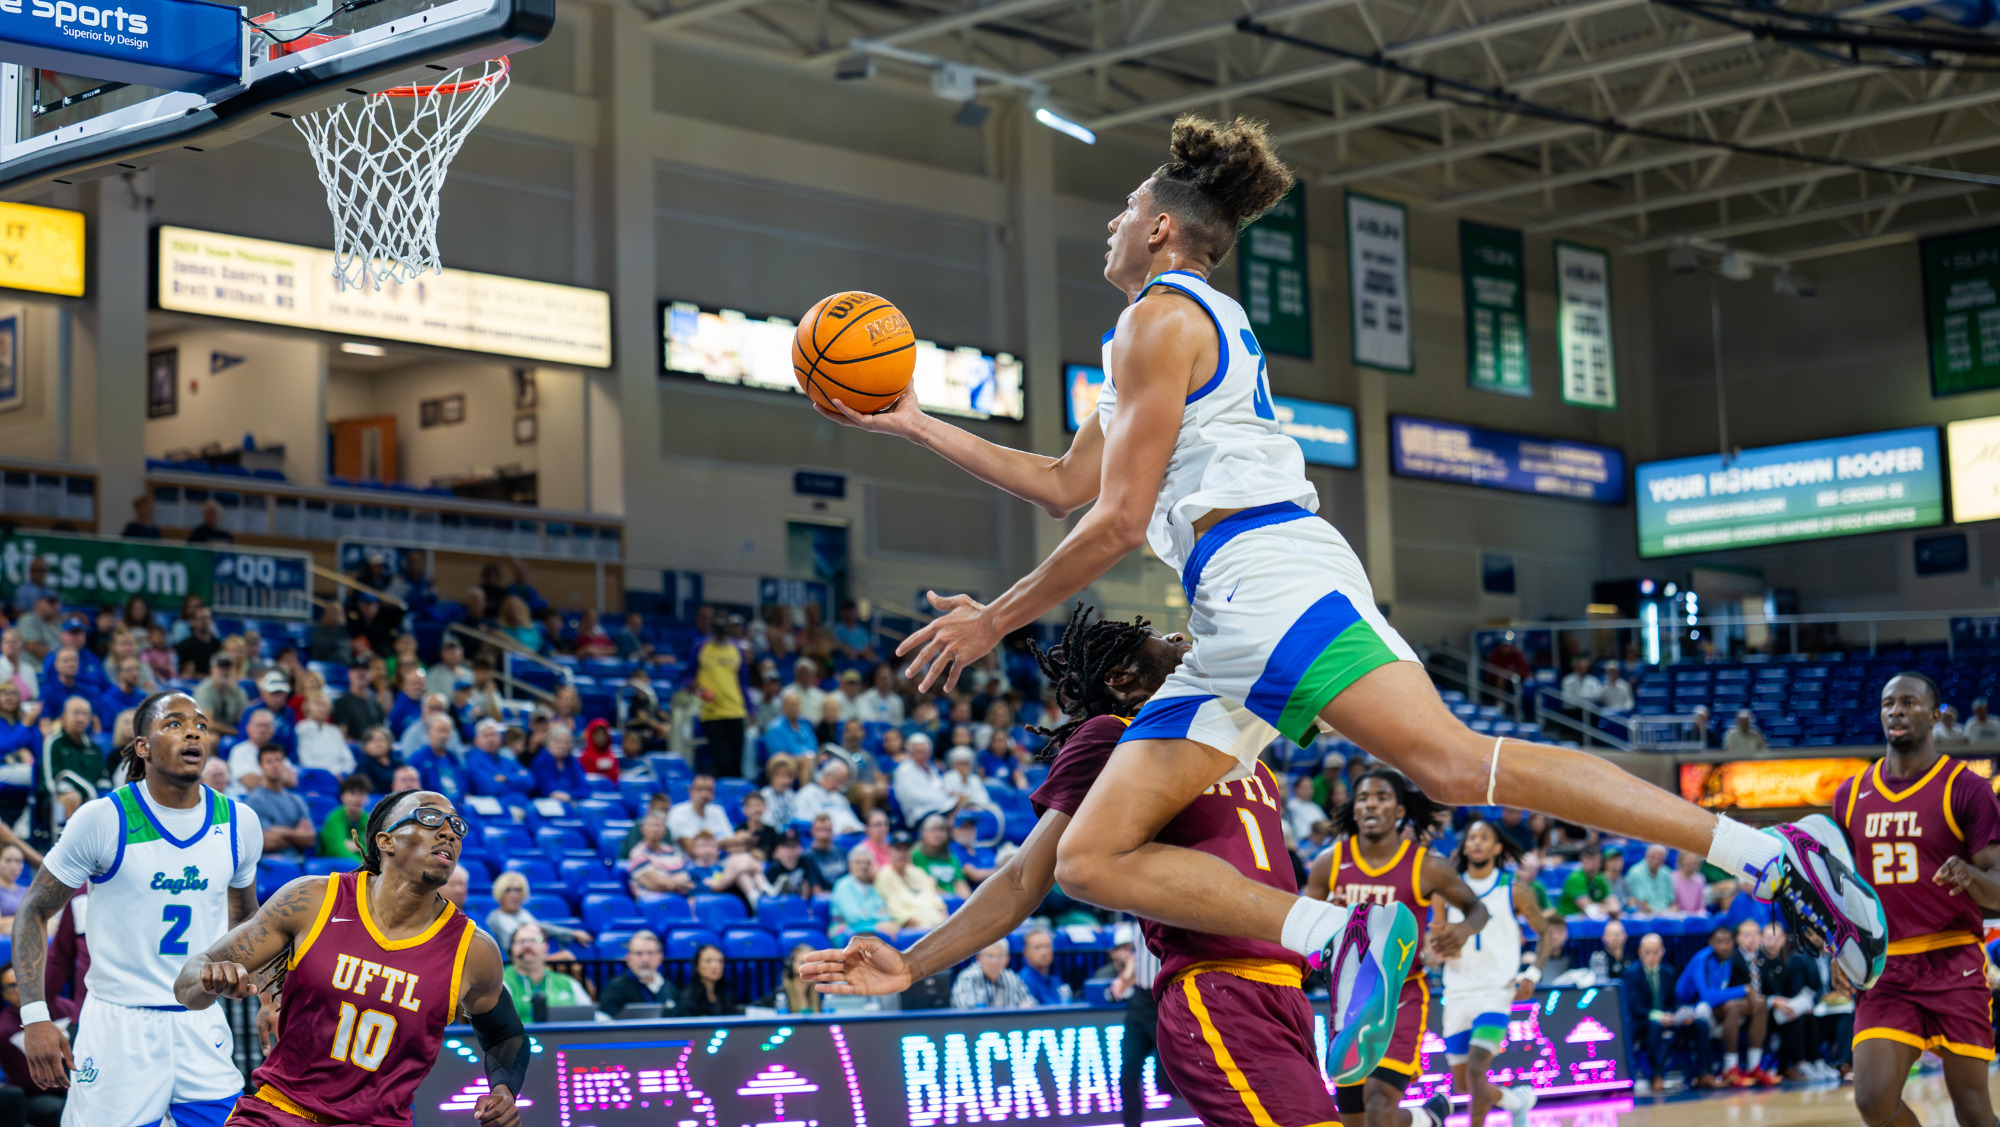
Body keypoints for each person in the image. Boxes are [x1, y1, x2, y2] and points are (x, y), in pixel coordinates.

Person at [813, 113, 1885, 1069]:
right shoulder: (1153, 336)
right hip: (1233, 608)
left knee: (1452, 764)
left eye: (1122, 207)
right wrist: (912, 421)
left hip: (1269, 575)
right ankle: (1342, 935)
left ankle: (1765, 849)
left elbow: (1118, 523)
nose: (1107, 222)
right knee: (1093, 856)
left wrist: (996, 617)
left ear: (1161, 231)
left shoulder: (1159, 320)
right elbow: (1060, 484)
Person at [803, 605, 1444, 1127]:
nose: (1176, 637)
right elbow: (1027, 877)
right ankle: (1341, 935)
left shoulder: (1233, 735)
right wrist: (914, 963)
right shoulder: (1117, 733)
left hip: (1286, 990)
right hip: (1214, 987)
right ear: (1124, 680)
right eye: (1157, 639)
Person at [179, 788, 523, 1126]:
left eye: (457, 826)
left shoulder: (473, 950)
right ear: (385, 841)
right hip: (278, 1113)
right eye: (429, 818)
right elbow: (188, 982)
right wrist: (209, 980)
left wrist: (505, 1091)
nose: (449, 831)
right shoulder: (313, 900)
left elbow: (507, 1035)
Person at [9, 691, 264, 1127]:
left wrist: (271, 995)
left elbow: (250, 923)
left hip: (200, 1021)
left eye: (201, 725)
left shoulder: (240, 821)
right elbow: (32, 911)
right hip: (117, 1026)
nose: (192, 732)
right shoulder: (103, 819)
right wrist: (35, 1017)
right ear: (142, 746)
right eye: (174, 723)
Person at [1835, 672, 2000, 1127]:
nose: (1896, 711)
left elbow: (1999, 889)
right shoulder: (1850, 795)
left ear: (1934, 714)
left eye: (1908, 702)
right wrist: (1839, 944)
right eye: (1889, 703)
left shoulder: (1967, 789)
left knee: (1972, 1110)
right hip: (1885, 968)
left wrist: (1970, 876)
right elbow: (1848, 887)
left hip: (1953, 962)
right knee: (1872, 1100)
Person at [1306, 769, 1483, 1127]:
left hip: (1400, 1000)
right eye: (1363, 798)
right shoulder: (1329, 862)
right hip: (1348, 1003)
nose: (1371, 803)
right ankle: (1427, 1118)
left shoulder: (1426, 866)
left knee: (1378, 1108)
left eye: (1382, 797)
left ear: (1400, 810)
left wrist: (1463, 930)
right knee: (1355, 1121)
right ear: (1353, 809)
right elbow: (1304, 923)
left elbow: (1477, 909)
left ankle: (1425, 1116)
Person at [1441, 817, 1552, 1127]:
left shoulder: (1514, 890)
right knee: (1465, 1084)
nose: (1476, 842)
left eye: (1484, 837)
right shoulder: (1447, 889)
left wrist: (1532, 974)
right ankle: (1516, 1101)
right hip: (1457, 991)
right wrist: (1435, 949)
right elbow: (1435, 936)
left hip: (1496, 991)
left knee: (1478, 1068)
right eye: (1471, 837)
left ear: (1498, 846)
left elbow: (1546, 934)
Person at [1677, 924, 1769, 1087]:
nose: (1724, 946)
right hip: (1689, 1010)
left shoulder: (1728, 960)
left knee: (1760, 1004)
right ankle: (1729, 1068)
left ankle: (1753, 1066)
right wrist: (1743, 989)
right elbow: (1707, 997)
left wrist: (1746, 992)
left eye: (1728, 941)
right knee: (1732, 1006)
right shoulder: (1702, 959)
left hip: (1712, 1009)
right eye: (1719, 942)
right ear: (1711, 943)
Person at [1622, 932, 1701, 1095]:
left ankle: (1704, 1072)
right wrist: (1660, 1016)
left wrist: (1681, 1013)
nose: (1652, 957)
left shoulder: (1669, 972)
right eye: (1647, 952)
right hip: (1642, 1022)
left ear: (1663, 951)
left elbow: (1674, 1001)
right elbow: (1635, 1007)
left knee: (1700, 1024)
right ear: (1640, 952)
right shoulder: (1631, 973)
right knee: (1656, 1026)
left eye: (1656, 952)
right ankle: (1656, 1075)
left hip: (1668, 1018)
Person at [0, 961, 74, 1126]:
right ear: (3, 994)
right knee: (57, 1108)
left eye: (24, 984)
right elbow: (34, 1080)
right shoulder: (5, 1030)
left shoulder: (67, 1008)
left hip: (73, 1083)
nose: (20, 991)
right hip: (36, 1095)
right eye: (12, 986)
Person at [500, 920, 591, 1023]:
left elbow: (591, 1018)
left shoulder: (568, 983)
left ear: (546, 946)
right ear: (511, 949)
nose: (527, 946)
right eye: (520, 941)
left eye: (535, 940)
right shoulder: (500, 985)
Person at [484, 870, 592, 955]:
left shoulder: (523, 913)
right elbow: (510, 947)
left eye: (518, 890)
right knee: (567, 959)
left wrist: (572, 933)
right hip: (518, 962)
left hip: (535, 956)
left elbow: (541, 928)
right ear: (500, 893)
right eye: (508, 890)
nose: (514, 895)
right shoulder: (495, 918)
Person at [694, 615, 748, 777]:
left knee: (737, 765)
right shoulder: (701, 647)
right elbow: (688, 677)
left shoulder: (736, 650)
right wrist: (700, 691)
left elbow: (743, 682)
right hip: (712, 713)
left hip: (736, 710)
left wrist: (749, 709)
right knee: (723, 763)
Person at [241, 746, 316, 862]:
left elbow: (310, 838)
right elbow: (267, 842)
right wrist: (297, 835)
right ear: (261, 766)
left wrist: (280, 832)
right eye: (269, 761)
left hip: (299, 863)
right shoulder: (255, 800)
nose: (275, 765)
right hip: (271, 866)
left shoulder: (296, 800)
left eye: (278, 760)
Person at [597, 930, 679, 1019]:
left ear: (660, 957)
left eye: (650, 953)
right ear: (628, 958)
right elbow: (603, 1022)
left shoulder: (669, 987)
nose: (645, 959)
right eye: (639, 953)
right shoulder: (615, 988)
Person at [874, 831, 946, 930]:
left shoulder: (917, 872)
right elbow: (896, 912)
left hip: (938, 926)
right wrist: (925, 928)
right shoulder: (884, 876)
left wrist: (945, 923)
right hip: (916, 931)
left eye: (906, 849)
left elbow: (936, 901)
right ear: (890, 850)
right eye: (898, 849)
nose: (902, 853)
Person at [829, 845, 895, 941]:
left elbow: (886, 916)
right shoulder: (843, 885)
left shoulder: (872, 889)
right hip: (846, 931)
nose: (863, 866)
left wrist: (871, 917)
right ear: (850, 864)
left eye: (867, 863)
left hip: (870, 931)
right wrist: (876, 924)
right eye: (858, 862)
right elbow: (853, 917)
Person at [624, 813, 694, 902]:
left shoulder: (671, 851)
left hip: (678, 898)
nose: (656, 829)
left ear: (665, 830)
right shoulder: (638, 853)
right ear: (643, 829)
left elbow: (685, 876)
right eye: (651, 825)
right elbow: (655, 885)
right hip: (652, 902)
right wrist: (677, 883)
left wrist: (671, 883)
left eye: (659, 826)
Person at [950, 939, 1034, 1009]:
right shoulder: (967, 978)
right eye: (990, 956)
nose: (995, 961)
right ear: (979, 958)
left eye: (1000, 957)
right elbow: (965, 1011)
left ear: (1007, 959)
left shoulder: (1011, 977)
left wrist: (1026, 1005)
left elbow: (1030, 1002)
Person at [668, 774, 738, 851]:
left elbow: (732, 842)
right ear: (691, 791)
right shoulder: (678, 812)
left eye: (709, 790)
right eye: (700, 789)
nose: (705, 794)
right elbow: (692, 849)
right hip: (689, 861)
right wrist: (723, 843)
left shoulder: (718, 810)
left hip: (721, 859)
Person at [794, 759, 863, 834]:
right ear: (828, 775)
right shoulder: (806, 794)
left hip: (852, 836)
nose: (840, 786)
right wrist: (838, 831)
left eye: (842, 783)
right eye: (838, 781)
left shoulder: (839, 798)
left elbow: (855, 822)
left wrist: (854, 828)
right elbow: (805, 823)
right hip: (828, 838)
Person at [318, 774, 374, 863]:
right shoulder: (334, 818)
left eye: (362, 794)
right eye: (353, 793)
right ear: (342, 797)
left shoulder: (366, 819)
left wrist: (357, 848)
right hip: (333, 867)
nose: (358, 798)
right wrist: (366, 863)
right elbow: (338, 850)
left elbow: (372, 850)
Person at [1556, 843, 1620, 918]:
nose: (1593, 865)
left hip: (1589, 922)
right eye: (1589, 861)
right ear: (1582, 861)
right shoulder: (1575, 879)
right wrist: (1606, 907)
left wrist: (1601, 907)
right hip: (1568, 921)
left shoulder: (1599, 878)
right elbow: (1590, 910)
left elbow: (1616, 907)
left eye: (1596, 861)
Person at [758, 945, 824, 1014]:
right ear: (791, 965)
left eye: (811, 963)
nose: (808, 968)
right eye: (802, 963)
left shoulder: (821, 994)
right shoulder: (780, 995)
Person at [678, 944, 740, 1017]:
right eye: (708, 961)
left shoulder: (726, 995)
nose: (715, 966)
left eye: (720, 961)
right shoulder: (688, 997)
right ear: (697, 965)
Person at [529, 725, 587, 802]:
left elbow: (583, 787)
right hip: (545, 803)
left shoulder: (572, 761)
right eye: (558, 741)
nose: (563, 745)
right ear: (548, 743)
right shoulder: (541, 762)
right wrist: (566, 796)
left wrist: (570, 795)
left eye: (567, 742)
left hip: (571, 800)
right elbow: (549, 790)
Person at [1017, 928, 1069, 1005]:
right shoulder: (1021, 983)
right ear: (1025, 952)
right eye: (1037, 947)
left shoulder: (1055, 981)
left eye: (1047, 946)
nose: (1044, 952)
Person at [801, 814, 848, 892]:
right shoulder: (808, 857)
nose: (824, 834)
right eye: (820, 830)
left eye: (827, 830)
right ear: (812, 831)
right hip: (827, 900)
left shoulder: (841, 852)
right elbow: (817, 891)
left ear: (832, 831)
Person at [1624, 844, 1675, 915]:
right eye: (1652, 857)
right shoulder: (1635, 872)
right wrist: (1660, 914)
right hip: (1645, 916)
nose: (1655, 861)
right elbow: (1641, 905)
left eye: (1659, 858)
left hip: (1667, 914)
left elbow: (1673, 903)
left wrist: (1670, 912)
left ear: (1663, 860)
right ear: (1646, 856)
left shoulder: (1667, 873)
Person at [1672, 848, 1708, 913]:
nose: (1690, 864)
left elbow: (1701, 905)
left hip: (1695, 915)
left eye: (1693, 862)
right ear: (1681, 861)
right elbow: (1672, 903)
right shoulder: (1673, 878)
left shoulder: (1700, 879)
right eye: (1687, 861)